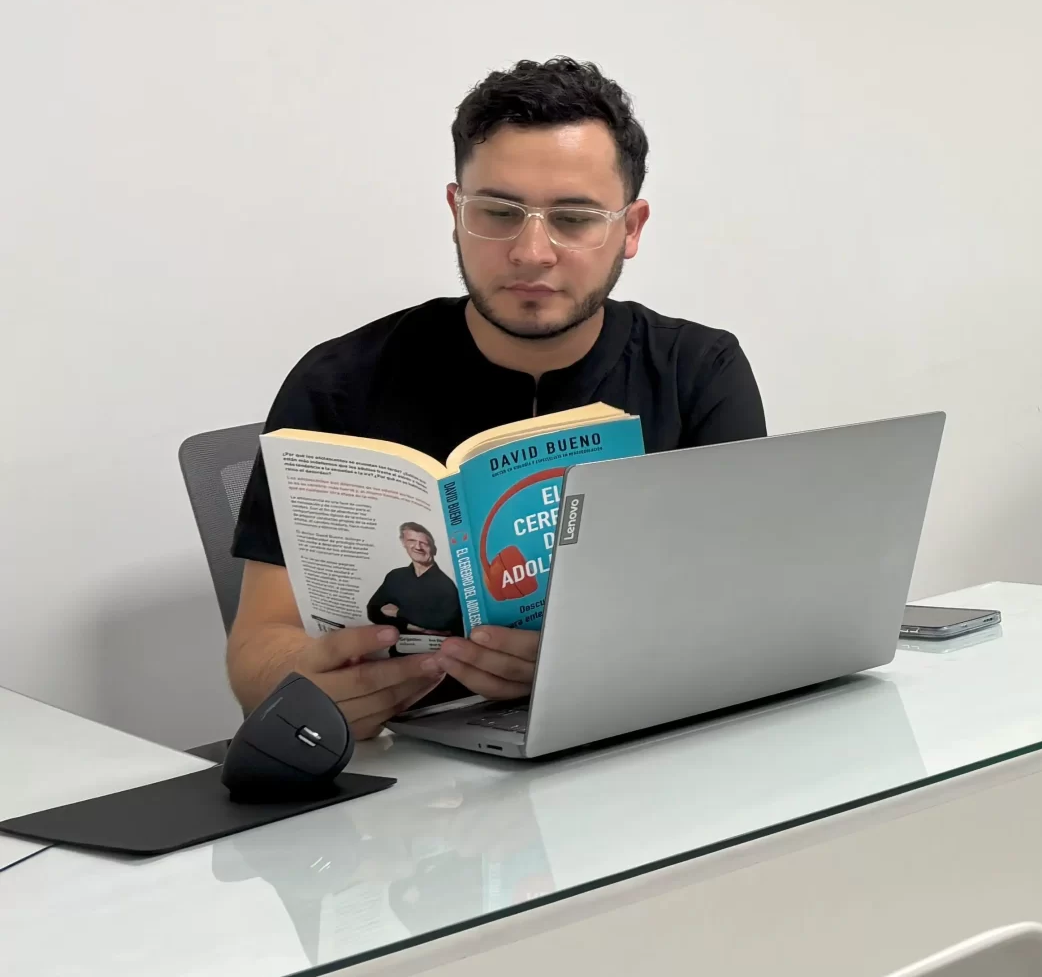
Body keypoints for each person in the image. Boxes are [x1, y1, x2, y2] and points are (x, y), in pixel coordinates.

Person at [225, 58, 766, 738]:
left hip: (634, 744)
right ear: (456, 213)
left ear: (631, 228)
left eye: (574, 218)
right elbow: (255, 651)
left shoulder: (698, 372)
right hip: (405, 765)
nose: (531, 252)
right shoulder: (336, 383)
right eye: (499, 213)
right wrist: (305, 678)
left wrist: (589, 665)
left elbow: (747, 617)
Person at [367, 522, 463, 636]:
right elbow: (373, 611)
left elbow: (444, 622)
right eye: (411, 541)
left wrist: (398, 612)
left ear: (433, 549)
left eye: (424, 543)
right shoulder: (395, 576)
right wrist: (410, 626)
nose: (418, 547)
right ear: (403, 543)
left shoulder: (446, 585)